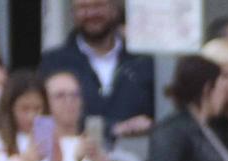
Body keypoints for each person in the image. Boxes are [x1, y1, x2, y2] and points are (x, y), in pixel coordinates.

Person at [38, 0, 155, 141]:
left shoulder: (143, 60)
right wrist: (113, 128)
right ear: (72, 13)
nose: (91, 13)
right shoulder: (53, 63)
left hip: (137, 156)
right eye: (83, 7)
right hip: (74, 155)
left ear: (115, 9)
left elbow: (161, 112)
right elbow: (44, 116)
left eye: (98, 5)